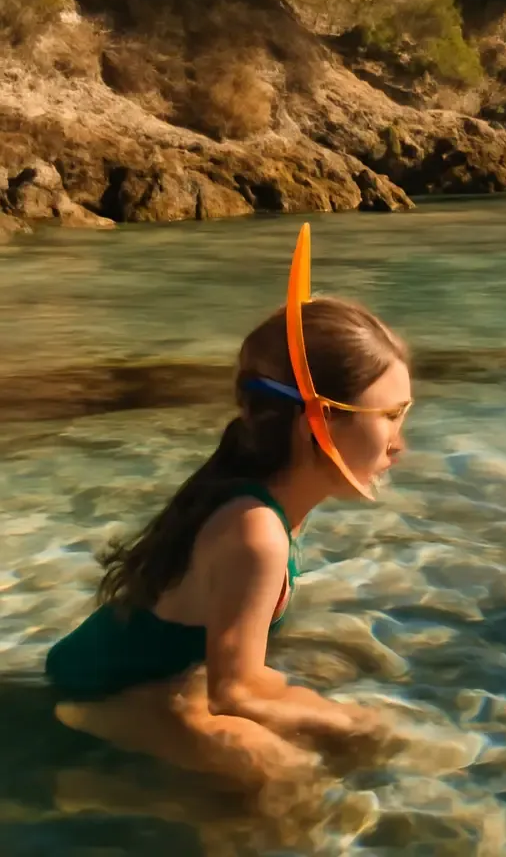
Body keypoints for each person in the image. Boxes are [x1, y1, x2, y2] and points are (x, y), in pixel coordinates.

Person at [45, 223, 413, 787]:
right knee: (287, 778)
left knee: (325, 740)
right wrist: (349, 721)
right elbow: (235, 692)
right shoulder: (256, 532)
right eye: (389, 417)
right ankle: (92, 748)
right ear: (316, 421)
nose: (399, 443)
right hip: (103, 687)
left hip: (167, 675)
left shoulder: (267, 499)